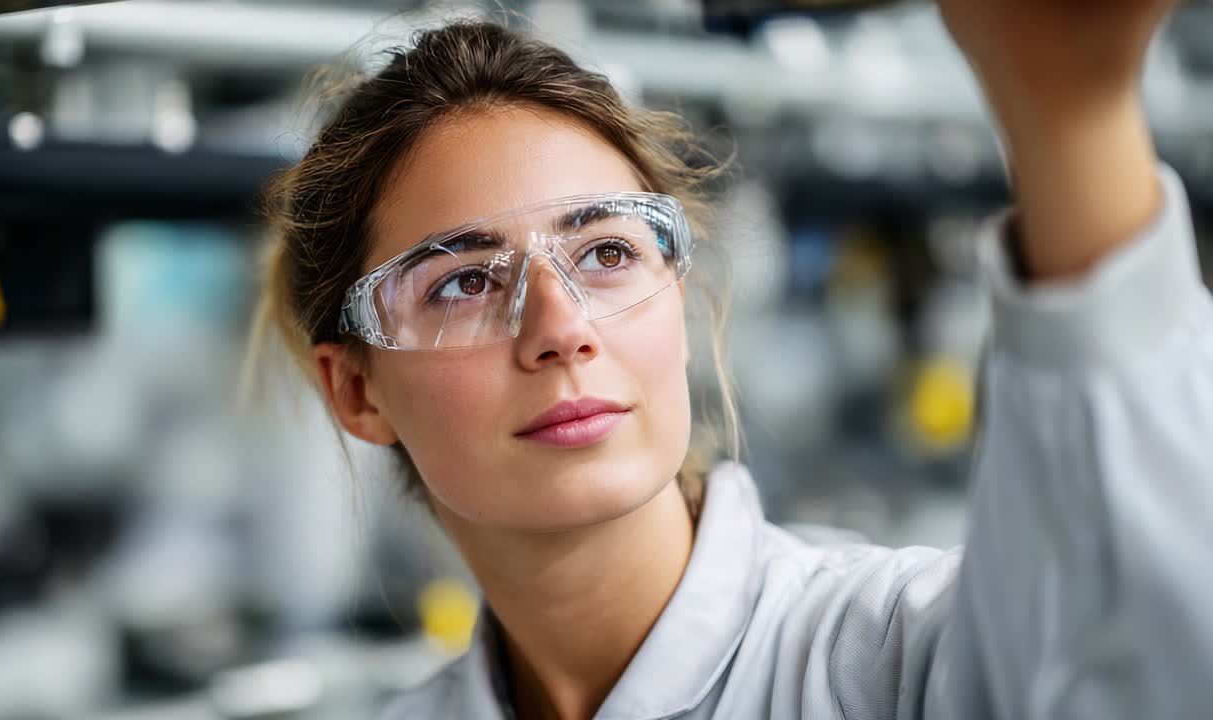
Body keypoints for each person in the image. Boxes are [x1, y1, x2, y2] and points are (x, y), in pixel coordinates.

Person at [250, 2, 1213, 718]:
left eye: (607, 253)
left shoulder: (894, 659)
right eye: (463, 282)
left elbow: (1143, 658)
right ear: (356, 389)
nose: (561, 328)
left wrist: (1072, 119)